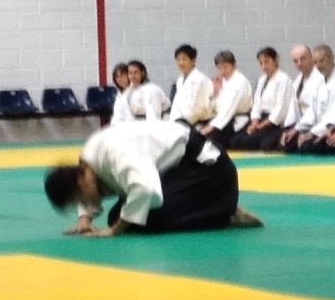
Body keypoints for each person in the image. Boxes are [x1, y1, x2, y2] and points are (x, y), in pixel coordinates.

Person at [44, 119, 263, 235]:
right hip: (177, 171)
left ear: (80, 181)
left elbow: (146, 189)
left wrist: (114, 231)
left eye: (79, 200)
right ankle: (211, 206)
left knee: (147, 221)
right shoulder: (88, 162)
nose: (85, 203)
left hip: (210, 171)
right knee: (122, 215)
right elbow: (92, 191)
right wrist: (85, 220)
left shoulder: (114, 152)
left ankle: (222, 212)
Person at [234, 47, 295, 153]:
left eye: (266, 62)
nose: (264, 66)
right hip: (261, 119)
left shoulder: (284, 80)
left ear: (276, 60)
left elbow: (280, 110)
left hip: (274, 123)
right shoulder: (262, 80)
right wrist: (254, 122)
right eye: (261, 63)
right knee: (236, 141)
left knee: (257, 143)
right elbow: (257, 104)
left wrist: (260, 126)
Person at [203, 51, 255, 143]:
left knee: (208, 137)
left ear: (234, 65)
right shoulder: (221, 81)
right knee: (197, 132)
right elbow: (212, 107)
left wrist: (212, 126)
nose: (222, 70)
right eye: (219, 68)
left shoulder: (240, 82)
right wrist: (215, 92)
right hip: (219, 118)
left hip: (235, 121)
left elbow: (230, 108)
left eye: (225, 67)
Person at [167, 44, 215, 127]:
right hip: (181, 122)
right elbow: (177, 105)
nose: (181, 63)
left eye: (184, 59)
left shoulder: (199, 79)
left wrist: (185, 122)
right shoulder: (180, 80)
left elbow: (197, 107)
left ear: (193, 60)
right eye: (178, 60)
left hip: (198, 123)